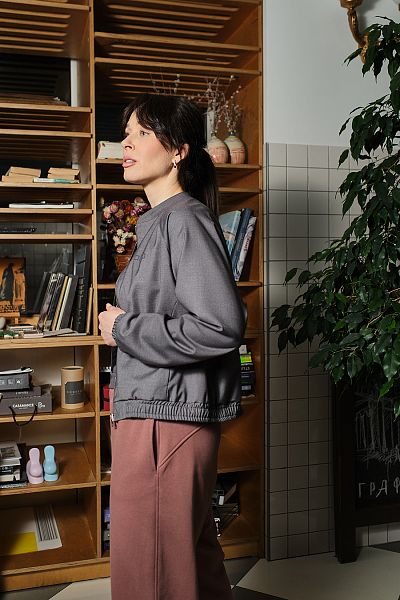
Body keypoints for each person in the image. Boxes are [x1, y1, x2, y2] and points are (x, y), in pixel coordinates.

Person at [98, 93, 246, 600]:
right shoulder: (161, 221)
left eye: (141, 133)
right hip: (157, 412)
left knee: (152, 571)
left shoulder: (182, 220)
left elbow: (220, 325)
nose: (126, 143)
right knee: (186, 563)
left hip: (165, 419)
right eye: (127, 133)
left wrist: (124, 328)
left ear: (179, 151)